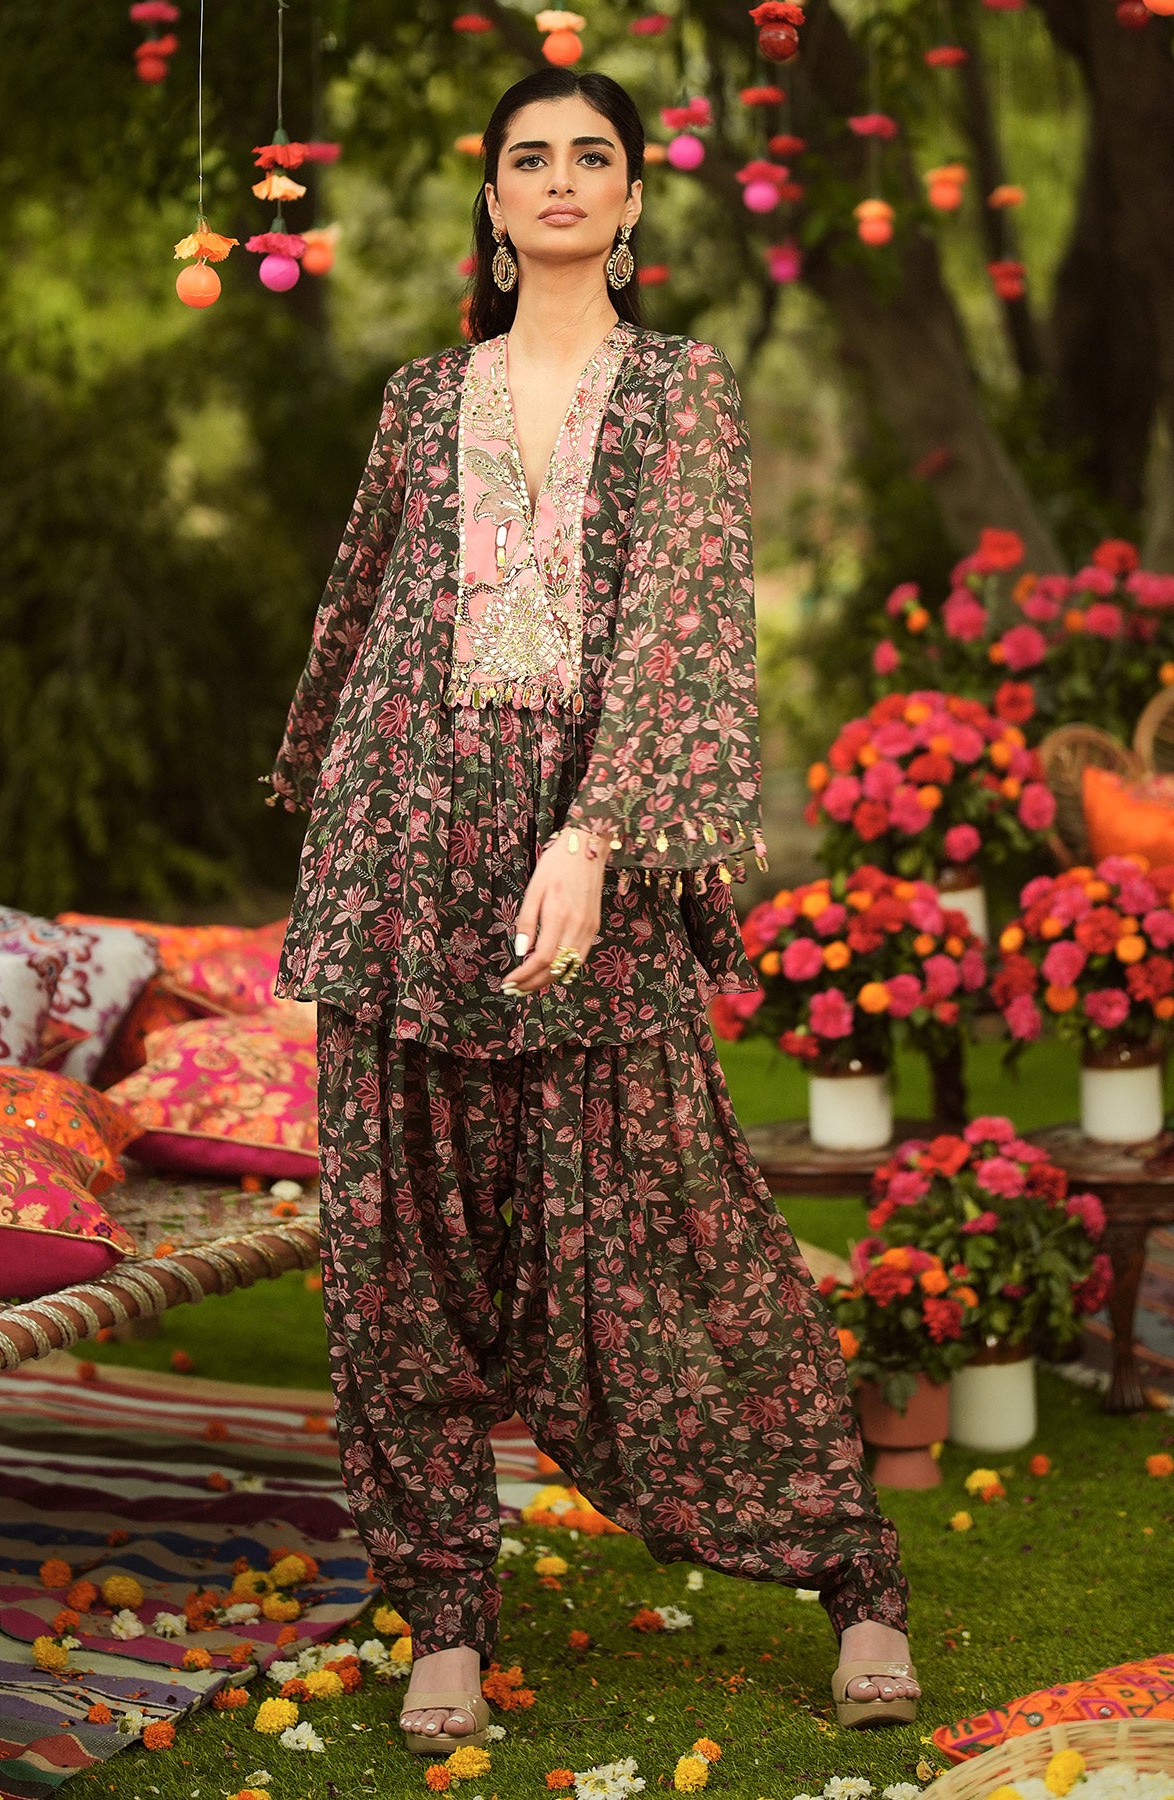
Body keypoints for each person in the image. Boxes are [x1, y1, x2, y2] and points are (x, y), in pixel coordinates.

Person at [264, 65, 921, 1757]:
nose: (559, 179)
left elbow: (683, 622)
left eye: (593, 156)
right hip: (405, 855)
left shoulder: (683, 390)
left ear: (631, 201)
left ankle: (848, 1564)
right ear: (494, 202)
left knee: (675, 1233)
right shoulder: (425, 397)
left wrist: (600, 832)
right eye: (528, 158)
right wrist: (335, 813)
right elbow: (362, 602)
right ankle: (446, 1608)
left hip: (588, 864)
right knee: (395, 1250)